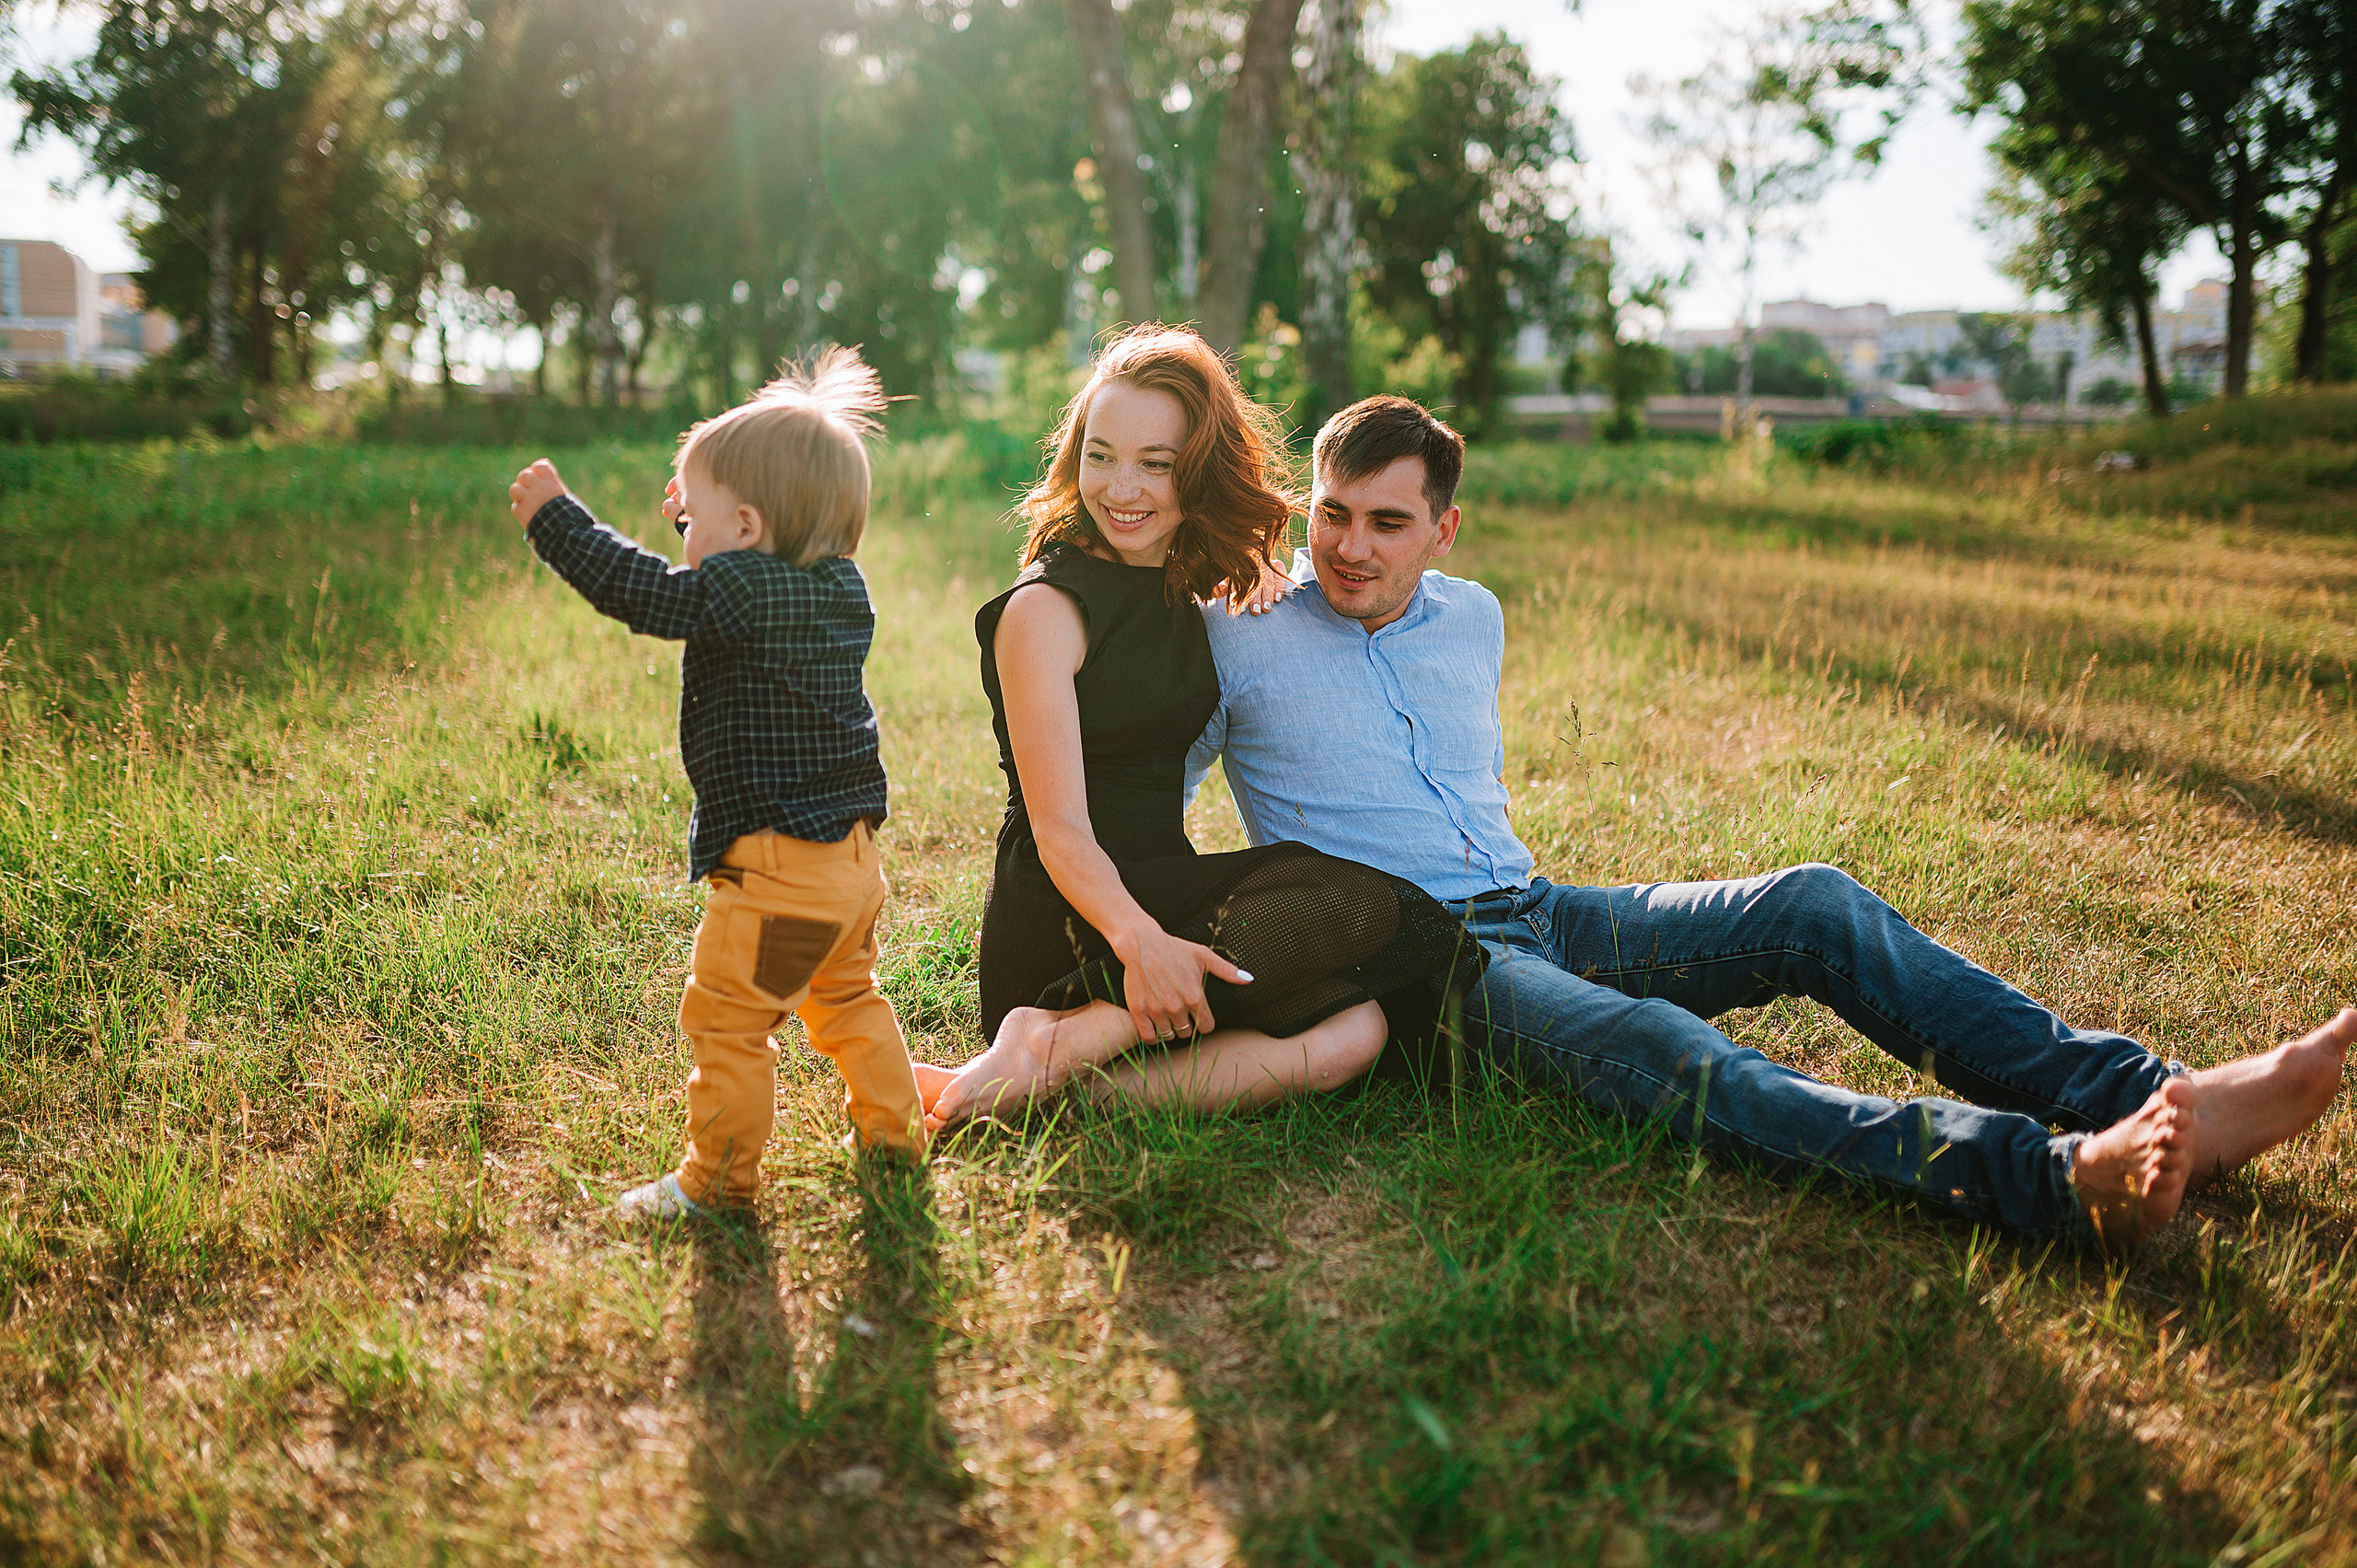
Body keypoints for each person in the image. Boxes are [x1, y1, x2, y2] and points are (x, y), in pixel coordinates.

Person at [1185, 394, 2351, 1250]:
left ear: (1444, 532)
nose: (1350, 547)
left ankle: (2152, 1098)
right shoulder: (1239, 630)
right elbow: (1133, 794)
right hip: (1427, 966)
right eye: (1333, 514)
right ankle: (2049, 1179)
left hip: (1538, 908)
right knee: (1663, 1047)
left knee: (1812, 902)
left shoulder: (1471, 614)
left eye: (1387, 523)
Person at [920, 329, 1478, 1131]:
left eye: (1157, 464)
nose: (1122, 488)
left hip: (1162, 888)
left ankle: (1059, 1086)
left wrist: (1257, 559)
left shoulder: (1181, 577)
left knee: (1359, 1030)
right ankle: (1052, 1029)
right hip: (1075, 914)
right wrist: (1143, 943)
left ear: (1200, 469)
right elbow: (1060, 833)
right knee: (1359, 899)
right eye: (1101, 456)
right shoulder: (1044, 609)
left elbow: (1247, 562)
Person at [508, 350, 925, 1218]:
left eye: (694, 519)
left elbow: (650, 595)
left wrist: (559, 522)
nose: (684, 533)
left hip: (779, 879)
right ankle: (894, 1142)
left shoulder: (739, 589)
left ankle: (718, 1183)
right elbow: (729, 576)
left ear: (744, 525)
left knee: (730, 1021)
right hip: (850, 869)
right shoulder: (839, 588)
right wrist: (700, 524)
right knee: (849, 1001)